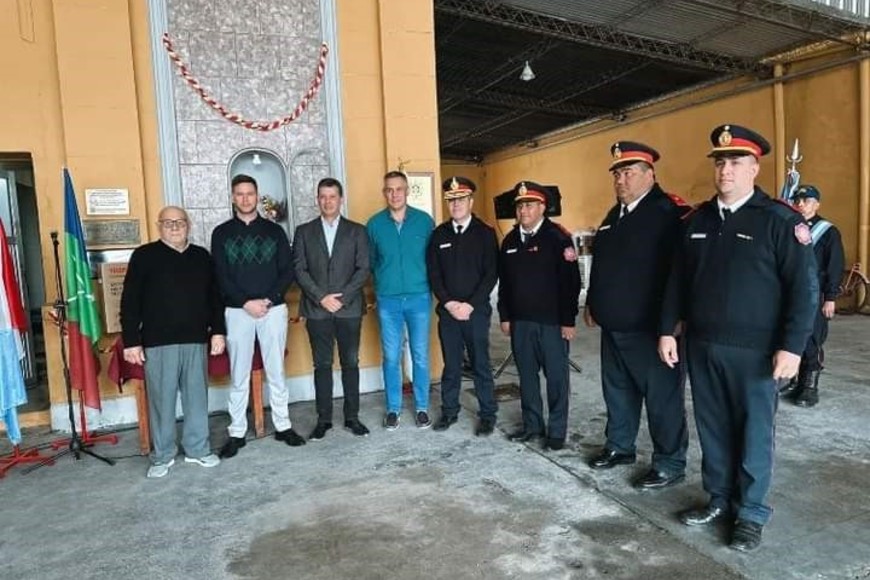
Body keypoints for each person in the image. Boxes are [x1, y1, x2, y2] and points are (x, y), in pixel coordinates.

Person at [658, 124, 817, 552]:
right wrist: (667, 328)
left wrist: (794, 347)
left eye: (736, 162)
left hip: (758, 352)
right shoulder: (697, 220)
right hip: (704, 344)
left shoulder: (780, 221)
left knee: (753, 431)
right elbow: (677, 281)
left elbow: (804, 289)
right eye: (721, 161)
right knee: (713, 428)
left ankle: (750, 512)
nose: (726, 169)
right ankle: (719, 498)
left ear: (754, 167)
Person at [585, 142, 689, 489]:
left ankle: (670, 462)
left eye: (629, 172)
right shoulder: (615, 216)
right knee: (618, 391)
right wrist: (593, 304)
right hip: (614, 325)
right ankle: (620, 446)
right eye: (617, 173)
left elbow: (679, 274)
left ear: (650, 174)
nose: (621, 180)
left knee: (661, 399)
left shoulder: (667, 213)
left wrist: (670, 327)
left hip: (651, 329)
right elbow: (603, 266)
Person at [120, 206, 225, 478]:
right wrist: (131, 341)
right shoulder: (144, 256)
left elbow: (215, 298)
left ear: (188, 225)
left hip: (195, 339)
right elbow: (129, 301)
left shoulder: (201, 256)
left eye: (179, 222)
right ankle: (163, 455)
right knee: (162, 401)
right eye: (168, 222)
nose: (174, 227)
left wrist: (218, 332)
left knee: (196, 399)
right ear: (159, 226)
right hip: (158, 342)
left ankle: (198, 449)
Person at [211, 174, 303, 458]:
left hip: (272, 309)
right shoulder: (221, 233)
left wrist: (269, 299)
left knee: (276, 371)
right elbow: (220, 276)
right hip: (238, 312)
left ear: (257, 195)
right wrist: (245, 303)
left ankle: (283, 426)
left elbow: (287, 271)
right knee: (238, 375)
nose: (245, 199)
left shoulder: (274, 231)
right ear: (232, 197)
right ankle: (236, 432)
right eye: (239, 194)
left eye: (250, 193)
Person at [497, 181, 581, 451]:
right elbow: (505, 284)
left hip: (552, 323)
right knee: (527, 377)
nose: (524, 210)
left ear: (542, 207)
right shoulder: (509, 241)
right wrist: (505, 315)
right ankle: (532, 426)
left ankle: (556, 432)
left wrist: (568, 320)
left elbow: (571, 282)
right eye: (520, 205)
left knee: (556, 378)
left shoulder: (557, 237)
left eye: (530, 204)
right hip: (521, 322)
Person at [293, 177, 371, 440]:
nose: (327, 201)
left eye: (332, 196)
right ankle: (323, 419)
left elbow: (364, 268)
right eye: (323, 197)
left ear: (341, 199)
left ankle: (352, 417)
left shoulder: (357, 231)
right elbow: (299, 269)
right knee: (322, 365)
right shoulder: (304, 231)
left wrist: (343, 297)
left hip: (348, 309)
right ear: (317, 199)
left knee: (351, 363)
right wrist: (320, 297)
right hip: (317, 310)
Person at [426, 176, 499, 436]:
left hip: (475, 313)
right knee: (452, 365)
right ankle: (449, 412)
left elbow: (491, 274)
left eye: (460, 199)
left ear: (470, 201)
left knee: (481, 364)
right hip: (448, 314)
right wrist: (449, 303)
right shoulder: (439, 235)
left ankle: (488, 414)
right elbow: (434, 275)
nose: (455, 204)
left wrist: (469, 304)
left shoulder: (485, 233)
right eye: (451, 200)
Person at [367, 171, 436, 430]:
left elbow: (433, 260)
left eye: (399, 189)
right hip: (388, 300)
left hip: (419, 297)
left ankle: (421, 407)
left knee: (419, 355)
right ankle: (393, 409)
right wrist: (382, 287)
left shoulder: (424, 222)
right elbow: (370, 263)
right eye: (389, 189)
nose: (394, 194)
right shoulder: (374, 225)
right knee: (391, 356)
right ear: (384, 193)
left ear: (407, 191)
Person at [779, 184, 845, 407]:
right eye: (797, 200)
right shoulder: (788, 225)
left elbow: (834, 265)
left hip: (815, 294)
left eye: (806, 201)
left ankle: (809, 385)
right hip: (790, 292)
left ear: (816, 204)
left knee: (812, 338)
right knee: (792, 335)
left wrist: (831, 297)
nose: (800, 204)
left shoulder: (828, 231)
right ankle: (795, 380)